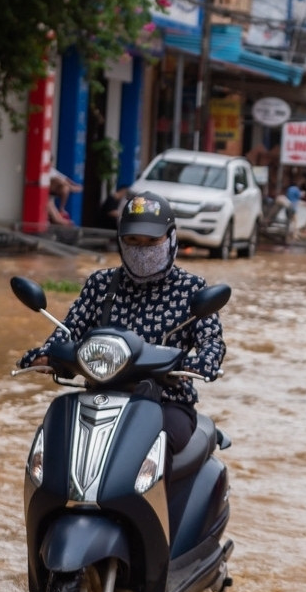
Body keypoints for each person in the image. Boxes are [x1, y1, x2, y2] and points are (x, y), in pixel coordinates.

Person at [20, 192, 226, 455]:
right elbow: (69, 330)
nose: (142, 249)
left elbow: (211, 340)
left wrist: (203, 361)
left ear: (171, 238)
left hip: (166, 404)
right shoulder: (101, 284)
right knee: (57, 441)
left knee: (153, 447)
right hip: (99, 398)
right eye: (132, 241)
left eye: (152, 241)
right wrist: (47, 356)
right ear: (120, 241)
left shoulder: (192, 289)